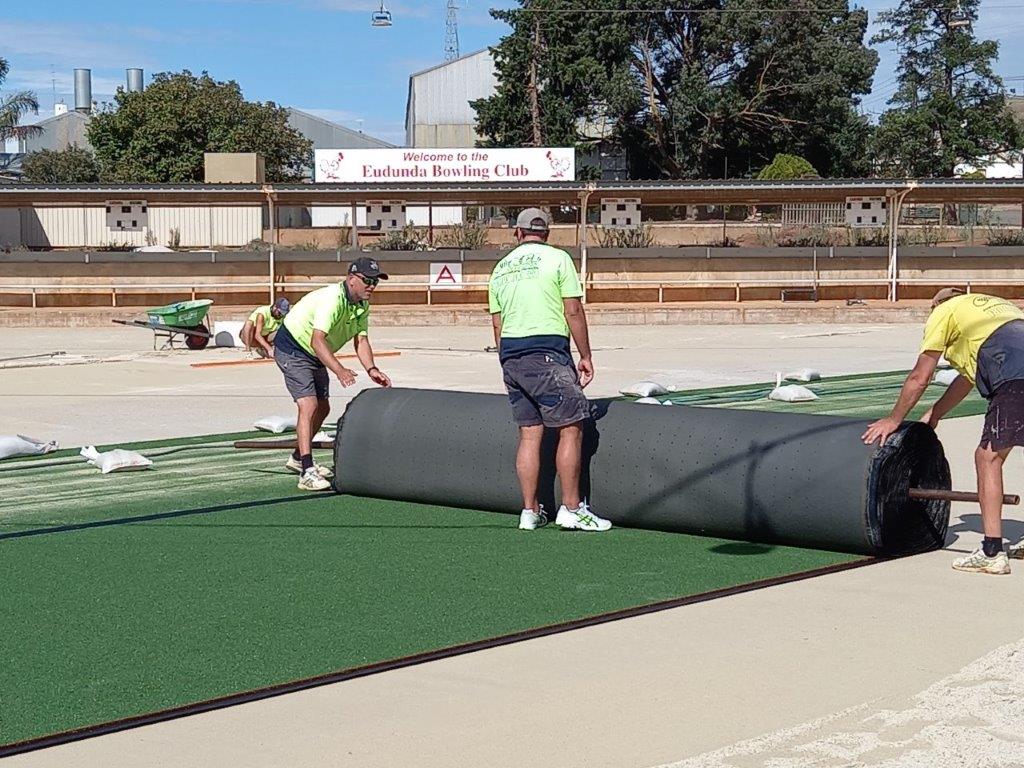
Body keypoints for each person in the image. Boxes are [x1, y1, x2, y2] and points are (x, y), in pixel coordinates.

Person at [863, 288, 1024, 574]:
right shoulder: (996, 309)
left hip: (1012, 373)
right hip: (1016, 364)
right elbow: (966, 379)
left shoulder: (943, 311)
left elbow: (920, 376)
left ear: (937, 305)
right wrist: (935, 414)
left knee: (988, 458)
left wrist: (894, 419)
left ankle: (991, 551)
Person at [488, 207, 611, 532]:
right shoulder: (558, 260)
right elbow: (572, 309)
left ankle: (529, 511)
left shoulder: (500, 269)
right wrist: (585, 355)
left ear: (518, 233)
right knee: (571, 426)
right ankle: (572, 508)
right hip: (546, 352)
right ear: (547, 234)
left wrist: (507, 360)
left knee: (529, 433)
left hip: (511, 355)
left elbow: (497, 323)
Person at [274, 257, 392, 491]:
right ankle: (307, 471)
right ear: (351, 279)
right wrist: (339, 370)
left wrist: (372, 369)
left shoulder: (361, 305)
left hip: (315, 353)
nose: (371, 286)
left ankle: (298, 458)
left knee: (323, 407)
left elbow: (361, 340)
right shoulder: (333, 300)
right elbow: (316, 340)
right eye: (367, 280)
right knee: (308, 405)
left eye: (375, 282)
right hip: (293, 348)